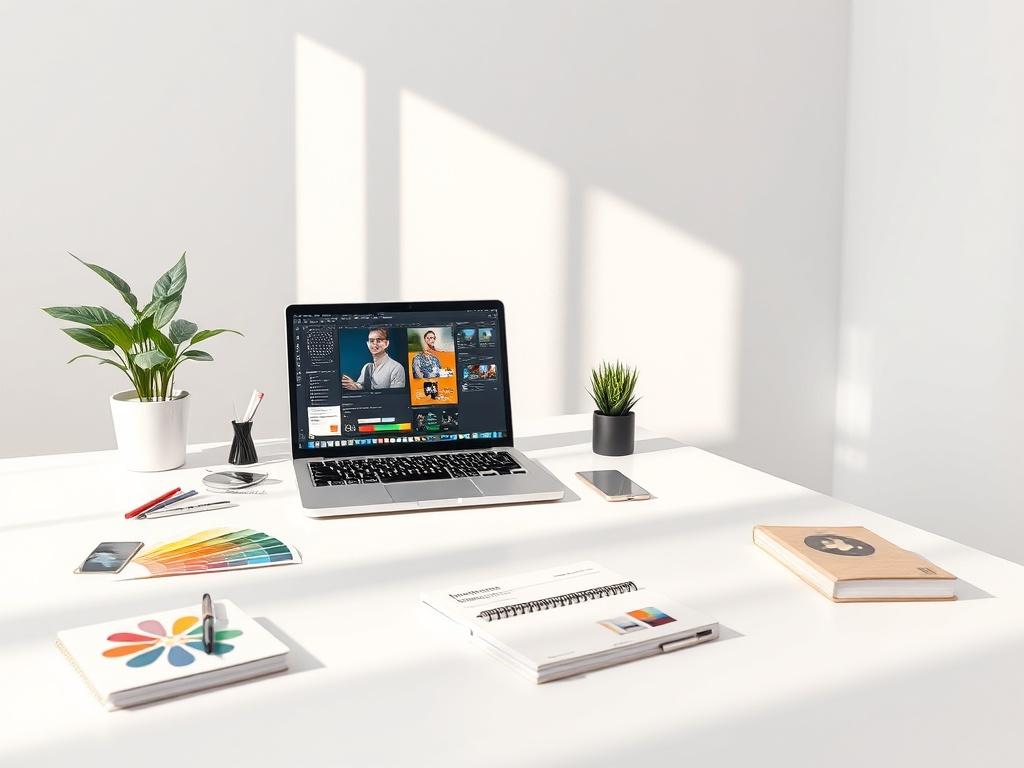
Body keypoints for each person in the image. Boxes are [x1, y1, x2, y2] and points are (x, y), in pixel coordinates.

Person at [342, 327, 406, 390]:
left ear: (386, 343)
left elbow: (395, 397)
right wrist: (353, 385)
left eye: (379, 340)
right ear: (368, 344)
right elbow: (361, 387)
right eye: (371, 341)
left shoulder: (396, 368)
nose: (375, 344)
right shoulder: (367, 367)